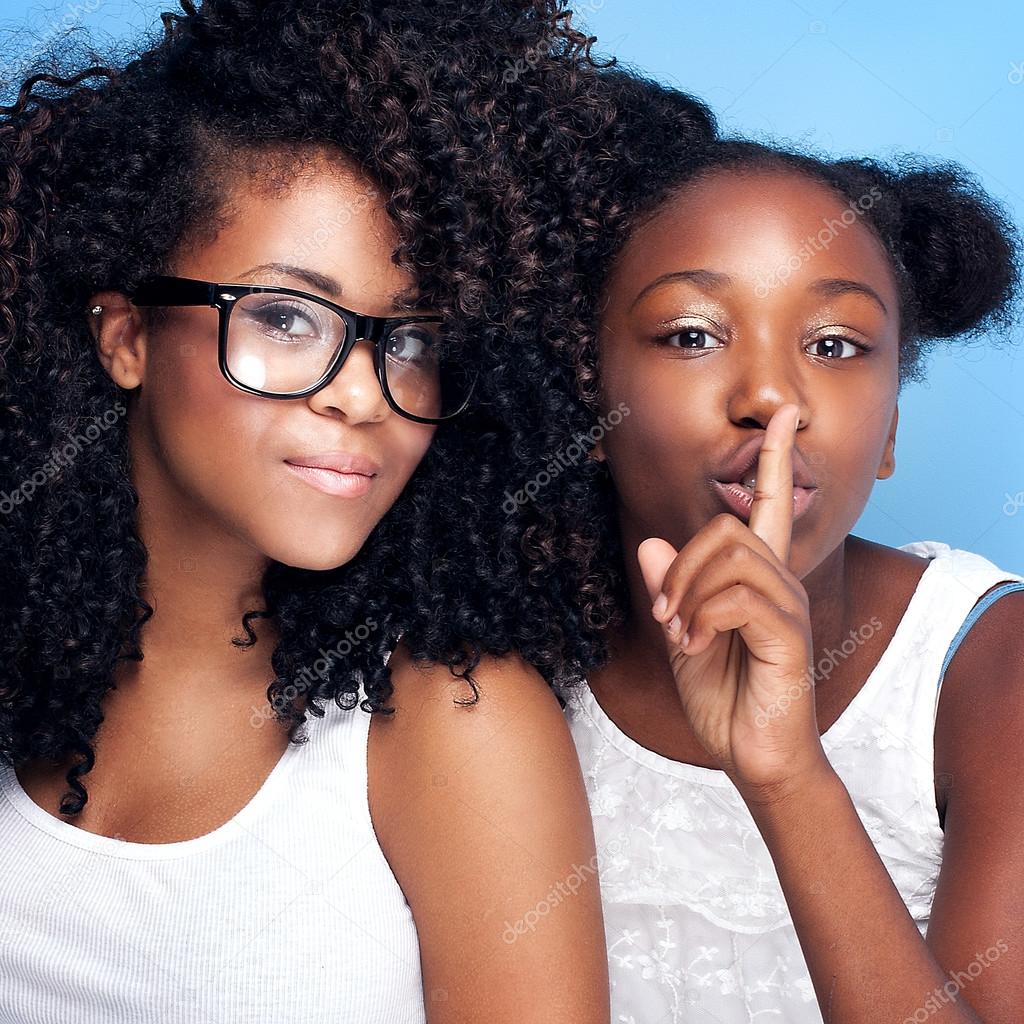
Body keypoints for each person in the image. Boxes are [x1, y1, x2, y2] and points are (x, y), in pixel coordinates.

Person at [0, 2, 629, 1020]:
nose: (362, 393)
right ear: (124, 338)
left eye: (410, 341)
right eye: (287, 316)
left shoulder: (448, 720)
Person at [553, 132, 1023, 1021]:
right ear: (586, 397)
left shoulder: (993, 668)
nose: (772, 398)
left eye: (837, 345)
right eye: (691, 334)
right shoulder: (504, 672)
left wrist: (788, 776)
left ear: (889, 430)